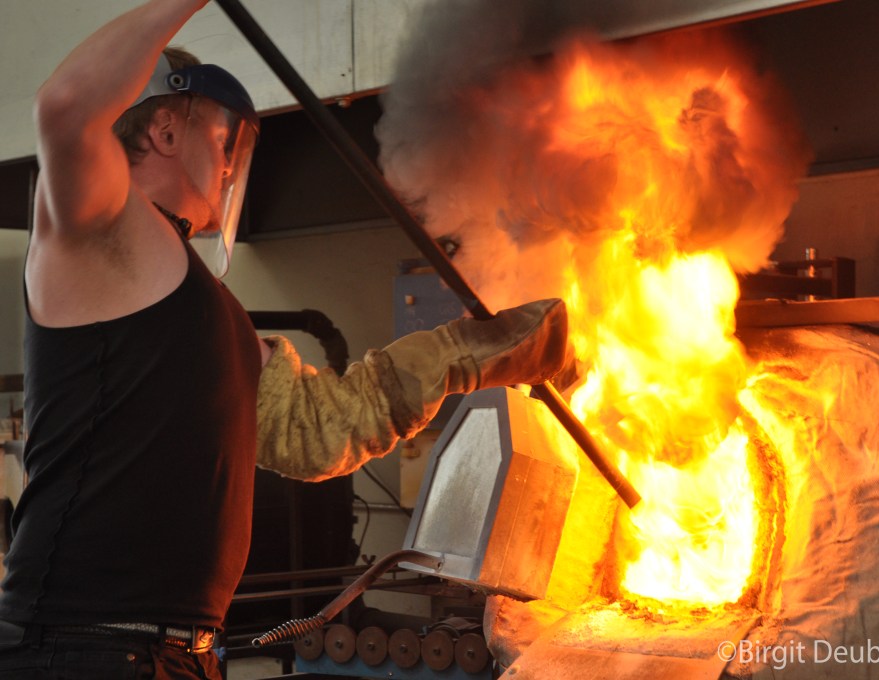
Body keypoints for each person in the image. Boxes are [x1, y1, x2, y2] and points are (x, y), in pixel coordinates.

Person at [0, 1, 568, 678]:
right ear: (165, 128)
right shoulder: (96, 229)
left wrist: (463, 356)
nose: (230, 167)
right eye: (223, 142)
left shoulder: (208, 309)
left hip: (174, 654)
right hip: (81, 645)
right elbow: (65, 108)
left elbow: (317, 430)